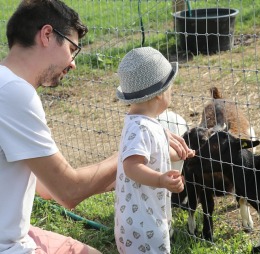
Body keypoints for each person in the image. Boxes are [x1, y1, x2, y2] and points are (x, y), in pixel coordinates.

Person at [0, 2, 192, 254]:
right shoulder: (14, 93)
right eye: (72, 49)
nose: (73, 63)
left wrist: (133, 169)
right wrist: (136, 149)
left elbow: (48, 190)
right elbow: (69, 192)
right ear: (47, 35)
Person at [114, 47, 195, 254]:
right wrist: (161, 180)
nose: (171, 94)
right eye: (170, 90)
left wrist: (180, 154)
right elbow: (132, 166)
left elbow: (155, 152)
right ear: (159, 95)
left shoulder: (146, 122)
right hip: (143, 223)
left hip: (143, 217)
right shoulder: (140, 127)